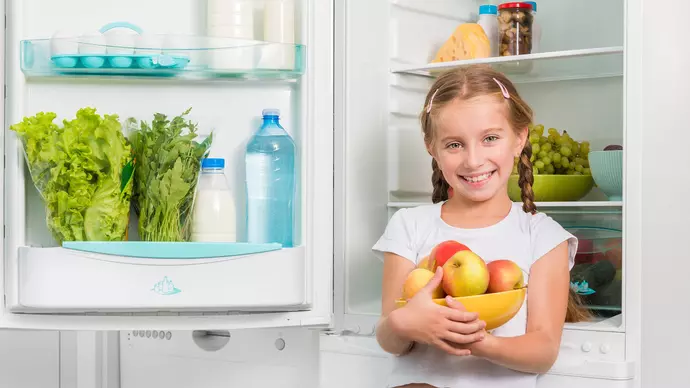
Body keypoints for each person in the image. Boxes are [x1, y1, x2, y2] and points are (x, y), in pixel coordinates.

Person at [372, 64, 591, 388]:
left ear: (519, 138)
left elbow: (543, 349)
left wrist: (478, 342)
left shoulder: (542, 236)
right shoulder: (409, 225)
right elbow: (389, 338)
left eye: (489, 138)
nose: (473, 160)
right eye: (454, 144)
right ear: (432, 148)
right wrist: (403, 323)